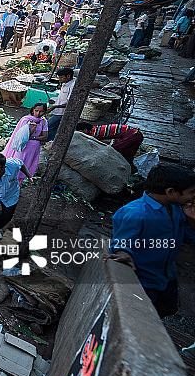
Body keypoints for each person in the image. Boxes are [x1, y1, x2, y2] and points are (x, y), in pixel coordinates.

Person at [105, 163, 195, 317]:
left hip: (166, 275)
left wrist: (192, 220)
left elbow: (187, 237)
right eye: (191, 192)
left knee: (167, 308)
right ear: (171, 192)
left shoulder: (176, 209)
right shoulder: (136, 213)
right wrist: (123, 253)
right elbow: (122, 241)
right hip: (143, 279)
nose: (193, 196)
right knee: (142, 314)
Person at [3, 103, 48, 180]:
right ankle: (11, 179)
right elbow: (24, 136)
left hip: (33, 148)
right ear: (33, 110)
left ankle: (20, 181)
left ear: (45, 112)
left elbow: (45, 136)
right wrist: (34, 128)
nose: (38, 113)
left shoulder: (44, 121)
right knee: (17, 163)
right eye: (36, 111)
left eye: (41, 111)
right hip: (23, 146)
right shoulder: (26, 119)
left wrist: (33, 137)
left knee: (27, 164)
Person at [76, 122, 144, 163]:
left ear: (85, 130)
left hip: (132, 135)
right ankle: (129, 165)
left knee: (113, 150)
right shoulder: (97, 128)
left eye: (81, 131)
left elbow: (93, 143)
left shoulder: (95, 133)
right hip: (137, 134)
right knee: (127, 153)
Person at [46, 67, 76, 141]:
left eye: (61, 77)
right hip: (57, 110)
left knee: (49, 126)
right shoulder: (65, 83)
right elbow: (63, 97)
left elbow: (70, 103)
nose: (60, 79)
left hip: (62, 112)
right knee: (54, 127)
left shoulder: (73, 86)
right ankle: (52, 141)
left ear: (68, 76)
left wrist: (55, 106)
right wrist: (54, 100)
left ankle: (50, 141)